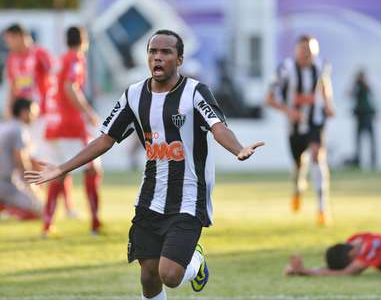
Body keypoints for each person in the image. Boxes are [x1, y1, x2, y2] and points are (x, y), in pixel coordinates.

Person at [25, 29, 264, 300]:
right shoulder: (134, 95)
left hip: (188, 198)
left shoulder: (196, 92)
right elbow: (105, 140)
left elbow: (218, 127)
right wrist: (62, 168)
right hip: (150, 197)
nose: (158, 58)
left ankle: (195, 262)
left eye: (166, 52)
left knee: (170, 275)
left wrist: (238, 149)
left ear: (180, 59)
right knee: (149, 275)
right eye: (153, 52)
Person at [3, 23, 76, 218]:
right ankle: (34, 201)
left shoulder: (41, 54)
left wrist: (57, 108)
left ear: (19, 36)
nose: (8, 44)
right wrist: (8, 111)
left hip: (43, 117)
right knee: (28, 161)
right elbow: (12, 86)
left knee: (51, 161)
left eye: (9, 39)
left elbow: (57, 79)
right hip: (23, 120)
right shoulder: (12, 59)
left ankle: (67, 206)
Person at [265, 35, 334, 225]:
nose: (307, 54)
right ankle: (298, 188)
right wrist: (289, 111)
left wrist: (328, 104)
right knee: (298, 165)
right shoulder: (285, 69)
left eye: (310, 51)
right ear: (296, 51)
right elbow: (268, 98)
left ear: (316, 52)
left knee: (317, 157)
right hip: (294, 127)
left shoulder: (322, 66)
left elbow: (325, 86)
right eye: (303, 50)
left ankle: (322, 208)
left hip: (315, 122)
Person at [43, 26, 101, 236]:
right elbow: (70, 87)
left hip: (53, 124)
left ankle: (47, 224)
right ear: (84, 41)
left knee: (58, 173)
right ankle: (95, 223)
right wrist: (88, 112)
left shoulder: (61, 59)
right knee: (93, 169)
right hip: (70, 125)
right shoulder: (76, 58)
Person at [285, 232, 381, 276]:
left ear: (350, 256)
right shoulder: (357, 239)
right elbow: (333, 268)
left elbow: (346, 272)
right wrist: (301, 270)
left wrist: (305, 272)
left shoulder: (371, 248)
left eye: (351, 262)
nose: (355, 262)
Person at [0, 98, 42, 220]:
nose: (35, 116)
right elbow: (21, 161)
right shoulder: (19, 129)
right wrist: (31, 186)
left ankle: (6, 206)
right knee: (39, 210)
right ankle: (7, 208)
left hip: (5, 181)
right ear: (24, 113)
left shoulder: (4, 125)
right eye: (33, 113)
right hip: (6, 183)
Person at [350, 70, 376, 169]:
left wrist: (364, 82)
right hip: (359, 117)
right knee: (358, 141)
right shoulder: (356, 86)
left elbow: (371, 91)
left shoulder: (365, 85)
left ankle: (373, 162)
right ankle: (358, 161)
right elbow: (349, 94)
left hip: (367, 116)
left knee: (371, 140)